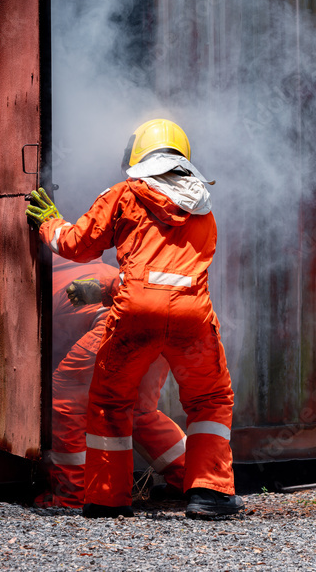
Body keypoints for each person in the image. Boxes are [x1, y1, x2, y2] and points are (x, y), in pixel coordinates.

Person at [25, 118, 243, 519]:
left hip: (134, 319)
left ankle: (105, 499)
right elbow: (171, 274)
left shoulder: (124, 194)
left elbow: (78, 245)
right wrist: (108, 290)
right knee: (209, 400)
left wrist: (49, 224)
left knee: (110, 402)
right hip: (191, 319)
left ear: (138, 157)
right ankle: (209, 494)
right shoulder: (202, 206)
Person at [34, 255, 187, 509]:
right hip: (163, 325)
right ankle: (192, 480)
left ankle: (73, 496)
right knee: (139, 412)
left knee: (65, 400)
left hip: (116, 327)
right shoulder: (101, 269)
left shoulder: (42, 281)